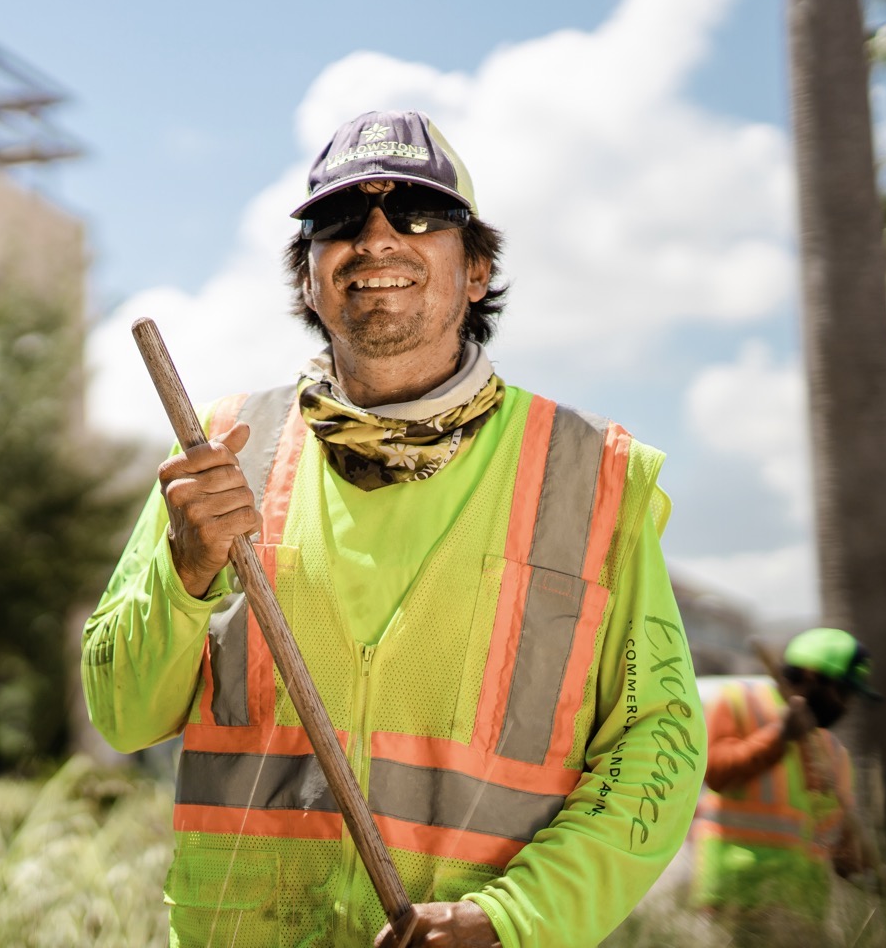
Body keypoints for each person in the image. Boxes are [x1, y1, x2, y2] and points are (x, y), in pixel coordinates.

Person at [83, 111, 706, 948]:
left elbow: (655, 744)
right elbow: (121, 713)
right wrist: (183, 569)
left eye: (418, 214)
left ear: (478, 268)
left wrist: (515, 922)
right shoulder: (219, 453)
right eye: (339, 222)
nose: (376, 238)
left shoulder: (593, 474)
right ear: (309, 277)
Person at [692, 627, 880, 926]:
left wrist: (869, 874)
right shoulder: (740, 700)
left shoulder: (833, 752)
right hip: (739, 900)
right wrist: (780, 736)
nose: (847, 705)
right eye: (843, 691)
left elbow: (836, 841)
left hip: (802, 910)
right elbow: (715, 773)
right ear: (810, 676)